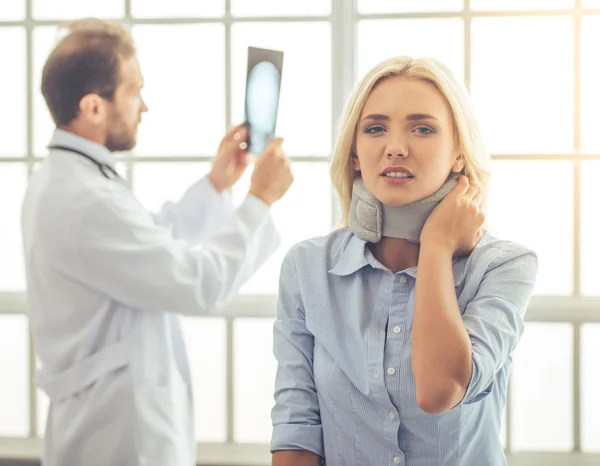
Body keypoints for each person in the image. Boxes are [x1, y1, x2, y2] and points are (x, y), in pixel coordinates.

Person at [21, 18, 293, 466]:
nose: (143, 107)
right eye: (133, 92)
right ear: (93, 106)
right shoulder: (84, 200)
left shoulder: (69, 181)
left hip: (107, 425)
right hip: (117, 439)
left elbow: (150, 240)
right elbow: (196, 283)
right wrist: (259, 201)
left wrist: (216, 184)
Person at [270, 56, 538, 466]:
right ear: (355, 154)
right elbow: (296, 430)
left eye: (423, 129)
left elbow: (438, 391)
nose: (395, 147)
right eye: (375, 128)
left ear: (459, 155)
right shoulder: (307, 267)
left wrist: (436, 245)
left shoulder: (504, 266)